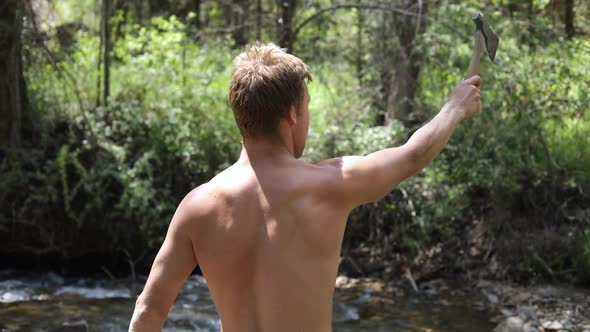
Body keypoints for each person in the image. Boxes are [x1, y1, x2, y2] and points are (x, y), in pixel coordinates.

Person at [128, 42, 481, 332]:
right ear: (292, 115)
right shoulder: (330, 184)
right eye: (307, 106)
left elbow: (148, 311)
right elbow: (413, 155)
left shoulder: (198, 207)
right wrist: (455, 106)